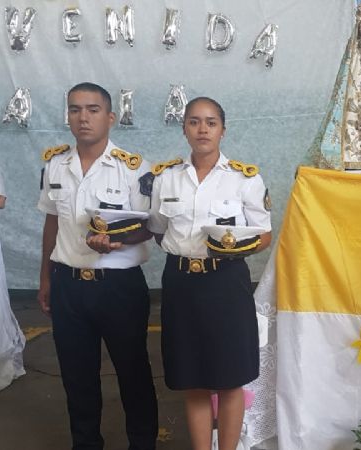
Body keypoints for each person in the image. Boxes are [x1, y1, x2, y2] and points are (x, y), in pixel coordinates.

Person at [37, 82, 158, 450]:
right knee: (77, 376)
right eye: (75, 110)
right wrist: (45, 278)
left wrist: (119, 240)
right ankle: (86, 443)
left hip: (118, 286)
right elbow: (52, 223)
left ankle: (142, 443)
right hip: (69, 284)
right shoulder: (55, 164)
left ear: (110, 117)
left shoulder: (135, 169)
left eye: (92, 110)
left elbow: (149, 226)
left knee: (133, 371)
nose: (82, 118)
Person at [147, 97, 272, 450]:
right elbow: (158, 228)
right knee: (194, 378)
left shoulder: (245, 179)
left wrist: (231, 250)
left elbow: (263, 235)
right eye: (194, 122)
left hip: (226, 282)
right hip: (181, 283)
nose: (203, 129)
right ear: (184, 127)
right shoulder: (165, 178)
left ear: (223, 130)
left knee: (231, 378)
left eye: (211, 122)